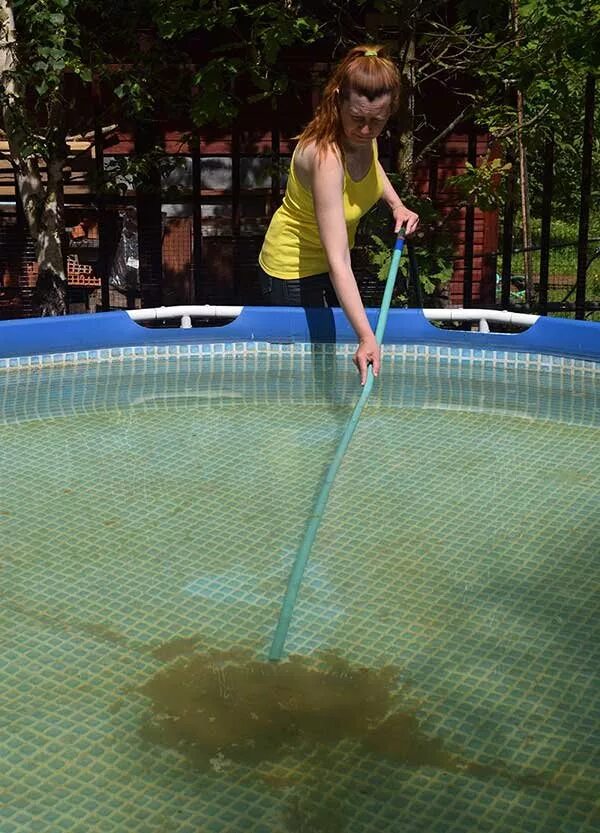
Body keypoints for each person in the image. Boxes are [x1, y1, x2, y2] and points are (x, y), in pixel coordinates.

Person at [258, 44, 419, 385]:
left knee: (328, 360)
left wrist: (396, 204)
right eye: (357, 119)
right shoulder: (326, 157)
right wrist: (366, 336)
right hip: (292, 270)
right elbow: (339, 261)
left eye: (376, 121)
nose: (365, 130)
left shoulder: (363, 137)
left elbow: (372, 166)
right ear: (337, 101)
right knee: (301, 371)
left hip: (331, 265)